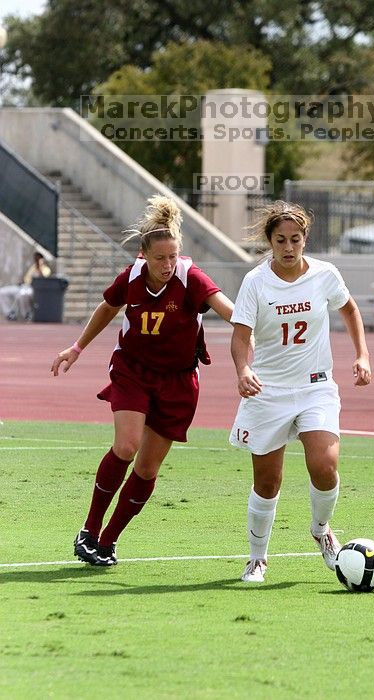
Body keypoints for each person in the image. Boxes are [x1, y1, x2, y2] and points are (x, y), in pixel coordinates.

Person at [51, 195, 235, 566]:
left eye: (172, 257)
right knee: (126, 445)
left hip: (179, 381)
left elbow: (228, 309)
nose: (167, 265)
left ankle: (107, 541)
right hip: (133, 371)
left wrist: (257, 322)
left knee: (148, 468)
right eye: (159, 258)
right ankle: (88, 528)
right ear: (143, 255)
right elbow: (107, 307)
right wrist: (77, 348)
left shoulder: (191, 278)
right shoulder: (132, 277)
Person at [229, 200, 371, 583]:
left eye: (295, 239)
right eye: (280, 240)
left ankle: (322, 530)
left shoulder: (325, 274)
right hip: (268, 391)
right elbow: (241, 336)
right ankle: (257, 559)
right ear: (270, 242)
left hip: (316, 387)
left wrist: (362, 355)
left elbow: (350, 309)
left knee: (325, 466)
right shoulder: (256, 282)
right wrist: (243, 369)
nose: (288, 247)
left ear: (305, 238)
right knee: (267, 481)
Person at [0, 251, 51, 321]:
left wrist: (39, 267)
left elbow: (43, 278)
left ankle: (27, 314)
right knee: (2, 292)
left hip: (33, 288)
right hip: (23, 286)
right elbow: (26, 279)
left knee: (22, 295)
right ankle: (9, 313)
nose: (37, 259)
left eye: (39, 258)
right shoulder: (33, 267)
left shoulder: (46, 269)